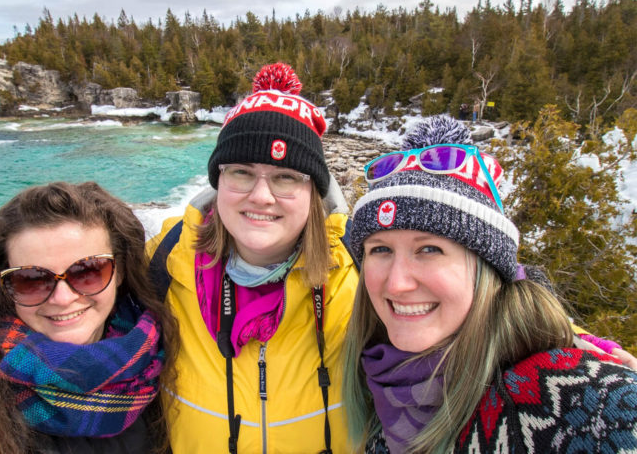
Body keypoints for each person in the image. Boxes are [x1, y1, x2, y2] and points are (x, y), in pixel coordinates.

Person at [342, 115, 637, 453]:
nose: (396, 284)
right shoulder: (382, 384)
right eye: (380, 249)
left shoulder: (592, 402)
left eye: (429, 249)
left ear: (488, 268)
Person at [147, 63, 358, 452]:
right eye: (242, 172)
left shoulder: (360, 276)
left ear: (314, 192)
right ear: (218, 181)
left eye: (286, 177)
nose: (261, 196)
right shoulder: (162, 263)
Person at [0, 182, 176, 454]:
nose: (62, 298)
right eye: (31, 279)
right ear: (3, 287)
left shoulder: (163, 352)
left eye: (88, 271)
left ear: (120, 271)